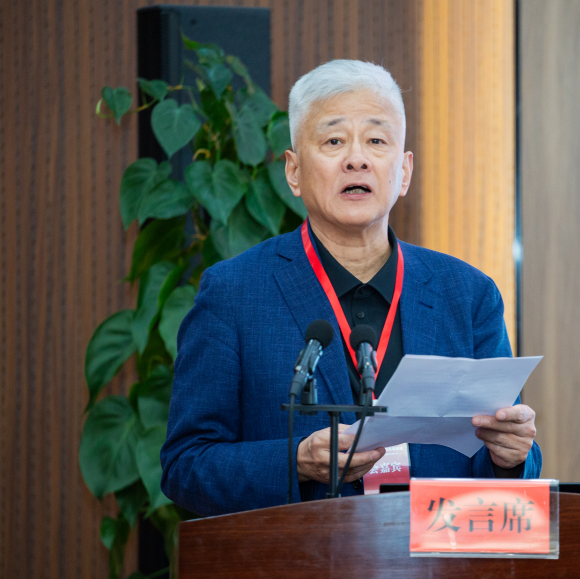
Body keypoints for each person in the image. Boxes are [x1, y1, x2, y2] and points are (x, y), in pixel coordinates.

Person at [161, 60, 540, 516]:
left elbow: (512, 455)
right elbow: (185, 467)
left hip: (437, 550)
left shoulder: (467, 294)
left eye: (376, 141)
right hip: (300, 551)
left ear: (404, 171)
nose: (356, 159)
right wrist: (295, 461)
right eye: (334, 141)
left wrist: (511, 457)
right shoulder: (234, 293)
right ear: (293, 171)